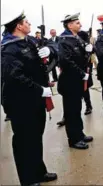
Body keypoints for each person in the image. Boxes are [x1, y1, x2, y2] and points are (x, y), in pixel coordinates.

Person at [1, 10, 57, 186]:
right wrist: (39, 90)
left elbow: (55, 47)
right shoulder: (9, 48)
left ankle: (39, 171)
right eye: (26, 22)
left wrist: (50, 51)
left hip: (36, 100)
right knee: (24, 140)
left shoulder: (30, 42)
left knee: (35, 137)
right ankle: (28, 179)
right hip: (21, 103)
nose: (29, 24)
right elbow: (14, 76)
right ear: (18, 26)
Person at [57, 13, 93, 150]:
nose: (80, 25)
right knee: (71, 111)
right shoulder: (64, 40)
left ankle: (79, 133)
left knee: (77, 109)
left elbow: (86, 54)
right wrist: (81, 74)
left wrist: (90, 48)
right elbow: (66, 62)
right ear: (69, 25)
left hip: (77, 81)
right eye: (77, 23)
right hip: (70, 82)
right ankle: (73, 139)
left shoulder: (77, 38)